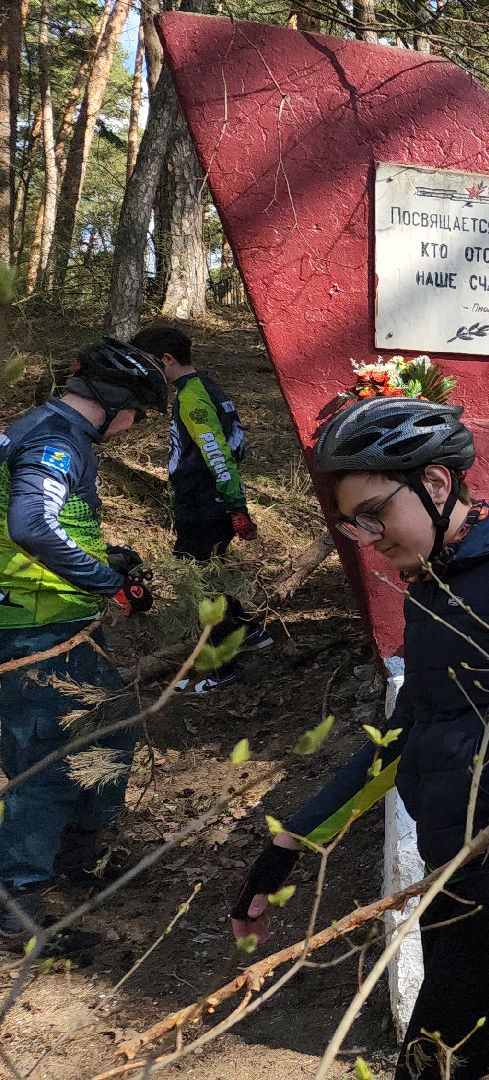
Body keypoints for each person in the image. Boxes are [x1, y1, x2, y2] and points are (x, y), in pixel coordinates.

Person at [228, 395, 489, 1079]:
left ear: (437, 484)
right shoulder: (438, 588)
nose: (368, 535)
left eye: (375, 512)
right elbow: (405, 733)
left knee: (442, 1066)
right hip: (462, 862)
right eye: (353, 524)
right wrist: (290, 842)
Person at [0, 338, 166, 955]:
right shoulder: (54, 440)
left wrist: (108, 557)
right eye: (138, 414)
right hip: (34, 630)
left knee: (111, 729)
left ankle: (73, 857)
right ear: (116, 402)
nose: (134, 427)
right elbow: (31, 525)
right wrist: (109, 582)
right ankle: (16, 907)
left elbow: (56, 522)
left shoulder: (55, 431)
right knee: (43, 764)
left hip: (60, 621)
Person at [130, 325, 271, 693]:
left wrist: (235, 505)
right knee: (214, 572)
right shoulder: (209, 387)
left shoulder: (193, 396)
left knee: (200, 585)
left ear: (167, 360)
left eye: (148, 365)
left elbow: (219, 453)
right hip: (210, 501)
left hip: (204, 504)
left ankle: (221, 668)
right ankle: (250, 632)